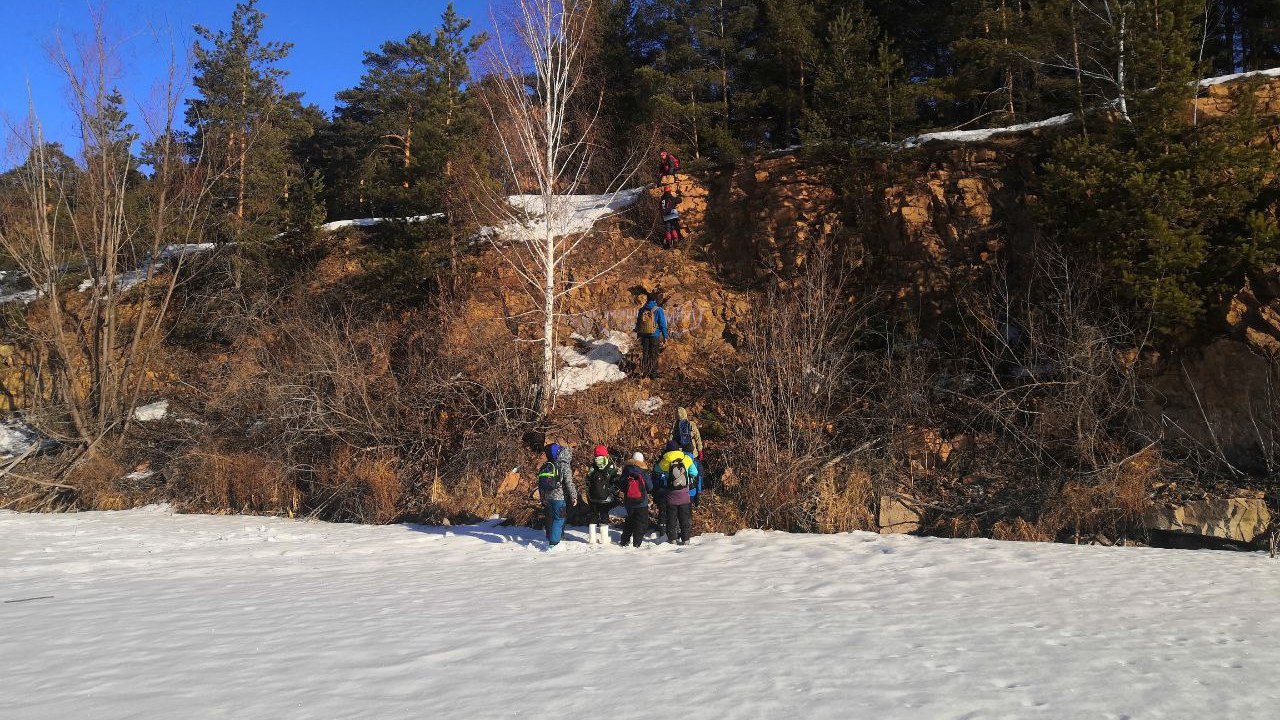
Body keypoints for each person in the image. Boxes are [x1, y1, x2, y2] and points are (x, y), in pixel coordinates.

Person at [536, 443, 579, 550]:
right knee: (559, 518)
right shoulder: (564, 466)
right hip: (559, 497)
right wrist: (574, 496)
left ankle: (552, 536)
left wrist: (542, 497)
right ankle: (554, 543)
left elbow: (540, 483)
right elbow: (569, 482)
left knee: (550, 517)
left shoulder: (546, 465)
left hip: (546, 496)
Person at [656, 441, 699, 545]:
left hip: (671, 494)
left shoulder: (664, 461)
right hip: (684, 493)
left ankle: (673, 540)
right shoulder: (687, 459)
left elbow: (656, 470)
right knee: (684, 518)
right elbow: (695, 472)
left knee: (672, 518)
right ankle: (686, 540)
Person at [585, 445, 620, 545]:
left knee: (593, 515)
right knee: (604, 515)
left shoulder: (592, 467)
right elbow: (615, 481)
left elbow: (587, 481)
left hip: (593, 496)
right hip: (606, 497)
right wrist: (612, 491)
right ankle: (604, 539)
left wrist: (590, 492)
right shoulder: (610, 466)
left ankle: (592, 539)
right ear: (605, 454)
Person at [617, 452, 653, 547]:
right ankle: (636, 543)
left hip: (629, 501)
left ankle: (624, 541)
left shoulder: (626, 470)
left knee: (629, 520)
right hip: (642, 502)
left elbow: (621, 485)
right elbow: (650, 487)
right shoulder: (644, 471)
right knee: (641, 522)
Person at [634, 293, 669, 380]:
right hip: (655, 335)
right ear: (655, 300)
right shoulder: (658, 310)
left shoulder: (642, 309)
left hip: (644, 335)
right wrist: (665, 336)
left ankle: (644, 372)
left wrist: (638, 334)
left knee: (645, 353)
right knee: (653, 353)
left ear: (647, 300)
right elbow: (662, 324)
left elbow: (638, 323)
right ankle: (653, 373)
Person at [659, 185, 682, 249]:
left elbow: (660, 209)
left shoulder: (662, 200)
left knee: (667, 230)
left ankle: (669, 244)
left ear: (664, 192)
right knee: (673, 228)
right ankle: (676, 242)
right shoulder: (671, 197)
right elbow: (679, 200)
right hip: (673, 216)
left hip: (665, 216)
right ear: (669, 191)